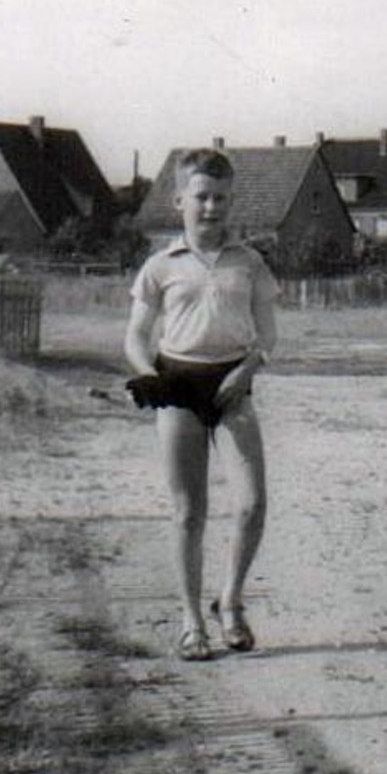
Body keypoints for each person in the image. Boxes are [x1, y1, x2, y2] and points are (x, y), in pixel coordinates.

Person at [125, 148, 278, 662]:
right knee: (189, 511)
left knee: (253, 503)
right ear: (178, 201)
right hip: (179, 383)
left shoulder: (251, 262)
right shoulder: (159, 266)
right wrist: (148, 377)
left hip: (233, 385)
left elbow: (269, 333)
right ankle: (192, 621)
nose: (211, 208)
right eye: (202, 197)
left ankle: (230, 602)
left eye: (221, 198)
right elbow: (135, 336)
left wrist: (249, 367)